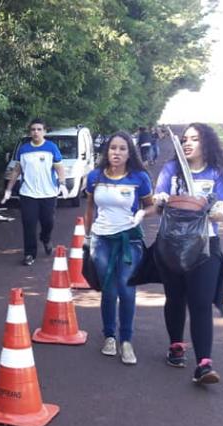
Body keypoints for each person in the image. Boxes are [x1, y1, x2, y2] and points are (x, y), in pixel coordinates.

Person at [153, 122, 223, 385]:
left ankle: (204, 364)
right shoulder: (171, 169)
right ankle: (176, 345)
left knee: (201, 302)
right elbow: (157, 200)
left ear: (206, 142)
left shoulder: (217, 172)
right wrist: (161, 199)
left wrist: (207, 207)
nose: (188, 143)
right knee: (175, 298)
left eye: (194, 139)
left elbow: (220, 211)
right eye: (185, 139)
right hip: (173, 244)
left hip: (205, 245)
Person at [84, 132, 154, 365]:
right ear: (107, 151)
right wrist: (87, 236)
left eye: (122, 148)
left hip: (129, 240)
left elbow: (152, 206)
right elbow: (89, 208)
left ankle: (126, 340)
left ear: (129, 153)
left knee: (126, 287)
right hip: (101, 239)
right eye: (113, 148)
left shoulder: (139, 178)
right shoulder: (95, 176)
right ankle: (109, 336)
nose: (117, 152)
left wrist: (142, 213)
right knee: (109, 288)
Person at [2, 118, 66, 265]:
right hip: (28, 194)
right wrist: (9, 189)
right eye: (33, 129)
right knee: (29, 224)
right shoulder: (24, 149)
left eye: (39, 129)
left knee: (48, 222)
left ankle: (46, 238)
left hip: (48, 193)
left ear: (44, 131)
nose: (36, 132)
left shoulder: (51, 148)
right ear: (30, 132)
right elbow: (17, 170)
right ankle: (30, 254)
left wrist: (62, 184)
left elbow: (59, 168)